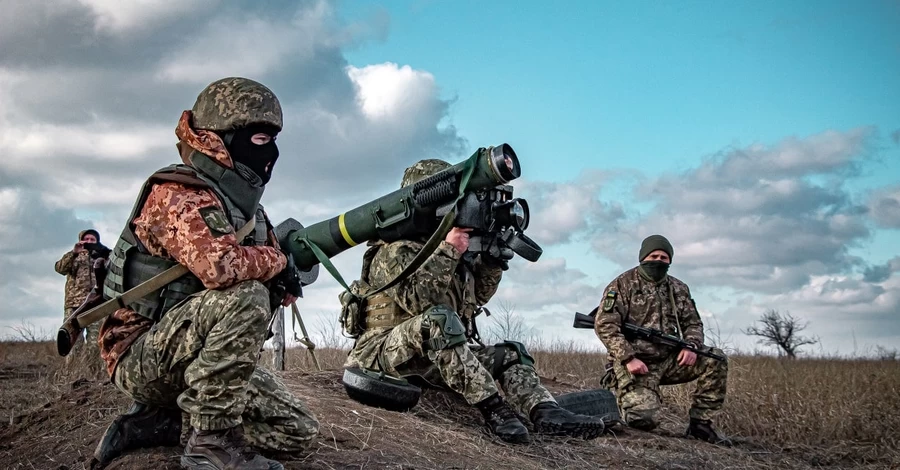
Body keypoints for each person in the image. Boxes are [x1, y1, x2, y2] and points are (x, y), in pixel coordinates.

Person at [92, 77, 319, 470]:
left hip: (188, 358)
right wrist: (276, 265)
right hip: (140, 354)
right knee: (244, 294)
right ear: (219, 139)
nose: (270, 153)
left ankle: (161, 421)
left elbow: (261, 260)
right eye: (259, 140)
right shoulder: (177, 193)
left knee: (296, 432)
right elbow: (221, 267)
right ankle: (209, 441)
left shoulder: (246, 208)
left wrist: (280, 281)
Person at [344, 159, 608, 444]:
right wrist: (449, 250)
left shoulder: (449, 247)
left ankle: (545, 412)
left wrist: (492, 262)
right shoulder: (394, 251)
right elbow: (421, 302)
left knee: (511, 352)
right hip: (381, 354)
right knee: (438, 319)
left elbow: (476, 298)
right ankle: (494, 409)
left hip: (430, 359)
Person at [594, 234, 729, 444]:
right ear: (642, 257)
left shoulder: (678, 288)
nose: (658, 261)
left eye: (664, 258)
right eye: (653, 255)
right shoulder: (622, 284)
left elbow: (693, 323)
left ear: (670, 261)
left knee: (716, 359)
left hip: (670, 360)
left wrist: (692, 346)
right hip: (636, 364)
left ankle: (701, 424)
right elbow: (605, 324)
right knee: (643, 419)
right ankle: (627, 397)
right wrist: (628, 358)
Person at [55, 229, 103, 364]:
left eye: (92, 240)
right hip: (75, 305)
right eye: (86, 239)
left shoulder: (101, 257)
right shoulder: (73, 256)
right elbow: (60, 269)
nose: (89, 242)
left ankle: (95, 376)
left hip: (96, 305)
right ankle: (71, 375)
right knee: (74, 343)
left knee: (95, 344)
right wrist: (73, 253)